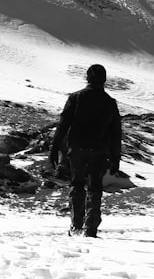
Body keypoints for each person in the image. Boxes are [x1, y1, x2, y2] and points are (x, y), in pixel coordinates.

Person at [49, 64, 122, 237]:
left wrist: (54, 148)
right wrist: (115, 158)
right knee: (95, 187)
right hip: (99, 150)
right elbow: (115, 133)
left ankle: (76, 226)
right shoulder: (110, 103)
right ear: (104, 80)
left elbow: (63, 125)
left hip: (77, 149)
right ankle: (90, 228)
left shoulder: (75, 98)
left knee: (77, 184)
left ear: (87, 78)